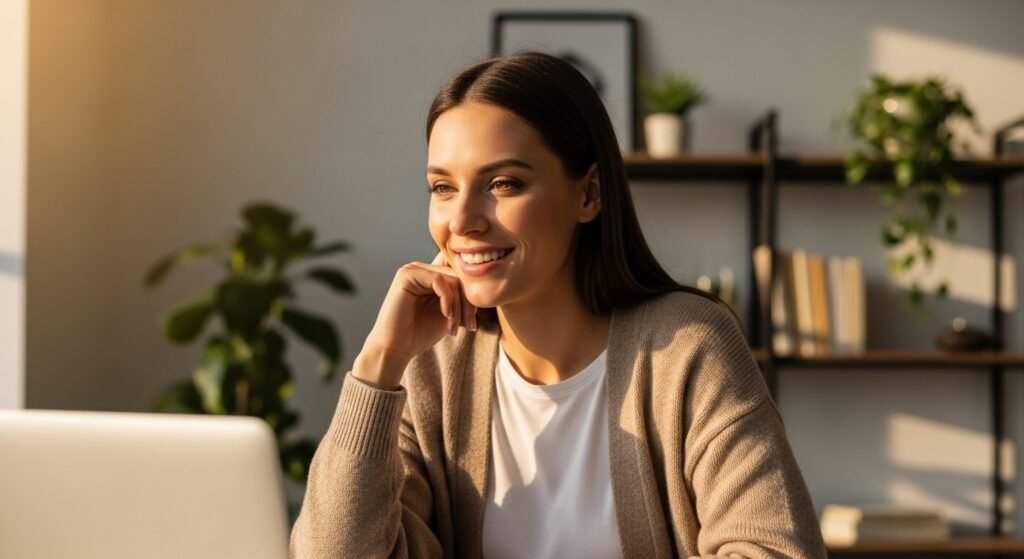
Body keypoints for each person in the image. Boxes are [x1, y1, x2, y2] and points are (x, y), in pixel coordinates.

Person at [290, 51, 828, 559]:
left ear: (588, 194)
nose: (462, 221)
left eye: (503, 183)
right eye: (443, 187)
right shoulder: (434, 366)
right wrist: (379, 364)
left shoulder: (688, 349)